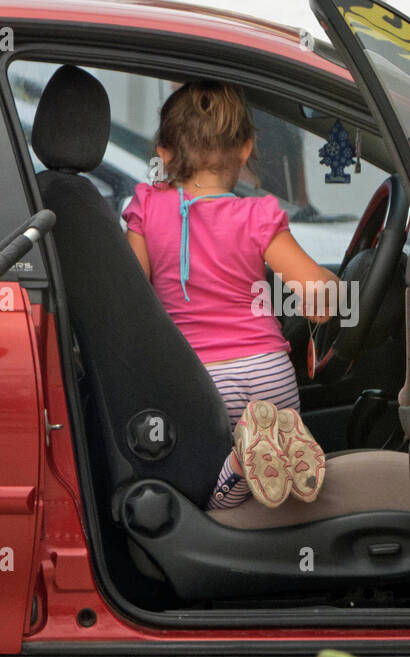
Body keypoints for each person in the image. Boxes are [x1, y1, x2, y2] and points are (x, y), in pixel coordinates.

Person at [122, 80, 342, 509]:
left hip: (200, 382)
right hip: (269, 374)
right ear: (245, 151)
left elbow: (133, 302)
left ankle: (242, 463)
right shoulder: (258, 215)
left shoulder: (147, 207)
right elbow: (317, 299)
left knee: (213, 501)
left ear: (163, 152)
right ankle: (273, 444)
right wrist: (335, 285)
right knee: (273, 490)